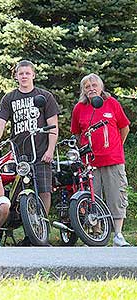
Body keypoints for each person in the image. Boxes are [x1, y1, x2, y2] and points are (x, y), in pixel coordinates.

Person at [0, 60, 59, 217]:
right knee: (20, 189)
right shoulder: (9, 98)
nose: (24, 76)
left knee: (44, 190)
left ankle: (42, 225)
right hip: (19, 153)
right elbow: (0, 121)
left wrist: (50, 150)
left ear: (33, 75)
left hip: (41, 152)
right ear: (16, 76)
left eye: (27, 73)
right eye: (21, 73)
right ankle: (23, 223)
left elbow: (53, 125)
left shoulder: (45, 96)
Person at [71, 73, 131, 247]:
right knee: (92, 198)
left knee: (116, 196)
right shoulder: (79, 108)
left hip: (113, 159)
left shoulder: (112, 104)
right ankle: (97, 234)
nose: (91, 89)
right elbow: (76, 133)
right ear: (83, 90)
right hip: (90, 163)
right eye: (87, 86)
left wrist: (116, 146)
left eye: (94, 85)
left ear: (101, 87)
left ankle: (118, 235)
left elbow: (124, 128)